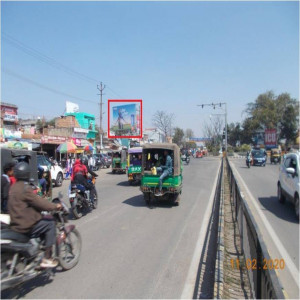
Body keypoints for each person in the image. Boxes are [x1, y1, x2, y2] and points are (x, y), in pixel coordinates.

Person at [8, 162, 62, 268]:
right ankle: (47, 258)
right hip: (25, 225)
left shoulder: (13, 188)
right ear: (27, 174)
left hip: (14, 224)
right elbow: (40, 203)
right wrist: (55, 206)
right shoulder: (24, 188)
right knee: (50, 223)